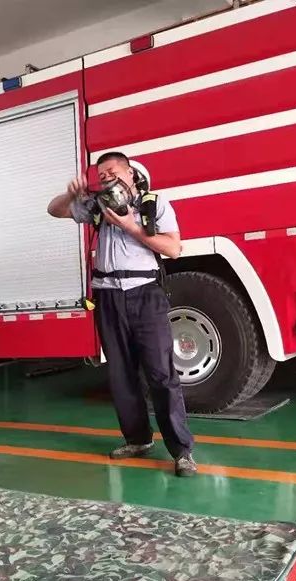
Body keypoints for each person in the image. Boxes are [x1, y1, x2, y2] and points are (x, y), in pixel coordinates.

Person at [47, 152, 197, 477]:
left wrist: (130, 226)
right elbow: (54, 210)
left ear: (131, 174)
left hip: (145, 294)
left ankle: (182, 451)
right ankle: (138, 439)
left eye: (112, 171)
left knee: (161, 374)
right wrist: (71, 195)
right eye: (101, 175)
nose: (106, 178)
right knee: (120, 374)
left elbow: (173, 248)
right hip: (108, 296)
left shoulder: (153, 204)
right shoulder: (97, 207)